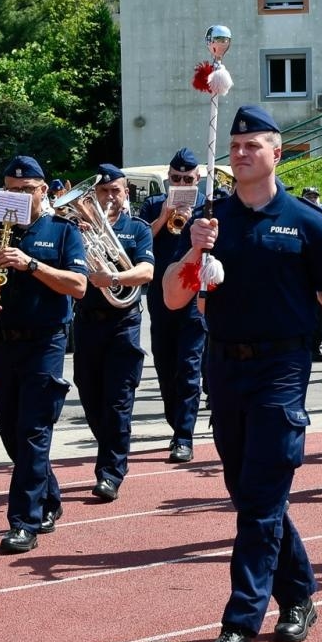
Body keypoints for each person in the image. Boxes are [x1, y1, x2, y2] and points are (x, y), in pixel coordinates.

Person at [163, 105, 322, 642]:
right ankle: (298, 592)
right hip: (224, 370)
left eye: (255, 144)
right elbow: (175, 299)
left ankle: (238, 626)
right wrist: (195, 251)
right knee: (252, 496)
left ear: (277, 152)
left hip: (283, 371)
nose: (243, 152)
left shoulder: (310, 225)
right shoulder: (212, 221)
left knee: (262, 499)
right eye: (237, 144)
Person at [0, 156, 88, 553]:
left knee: (34, 431)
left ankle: (23, 521)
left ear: (42, 191)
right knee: (11, 431)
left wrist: (31, 264)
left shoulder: (62, 231)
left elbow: (79, 285)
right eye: (8, 191)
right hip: (1, 339)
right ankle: (48, 498)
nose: (15, 197)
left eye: (23, 190)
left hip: (44, 341)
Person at [72, 165, 155, 501]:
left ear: (126, 193)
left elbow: (147, 271)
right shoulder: (76, 229)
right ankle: (111, 449)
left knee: (118, 399)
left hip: (123, 321)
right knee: (90, 394)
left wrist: (115, 279)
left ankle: (110, 472)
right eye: (102, 192)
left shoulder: (138, 229)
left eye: (115, 191)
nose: (109, 197)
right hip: (87, 320)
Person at [138, 149, 208, 463]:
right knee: (166, 369)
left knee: (189, 367)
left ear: (198, 180)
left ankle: (184, 435)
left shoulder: (208, 206)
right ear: (169, 178)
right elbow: (138, 245)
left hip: (194, 298)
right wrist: (163, 218)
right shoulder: (154, 205)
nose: (181, 183)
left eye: (188, 179)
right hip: (159, 298)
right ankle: (175, 422)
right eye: (176, 178)